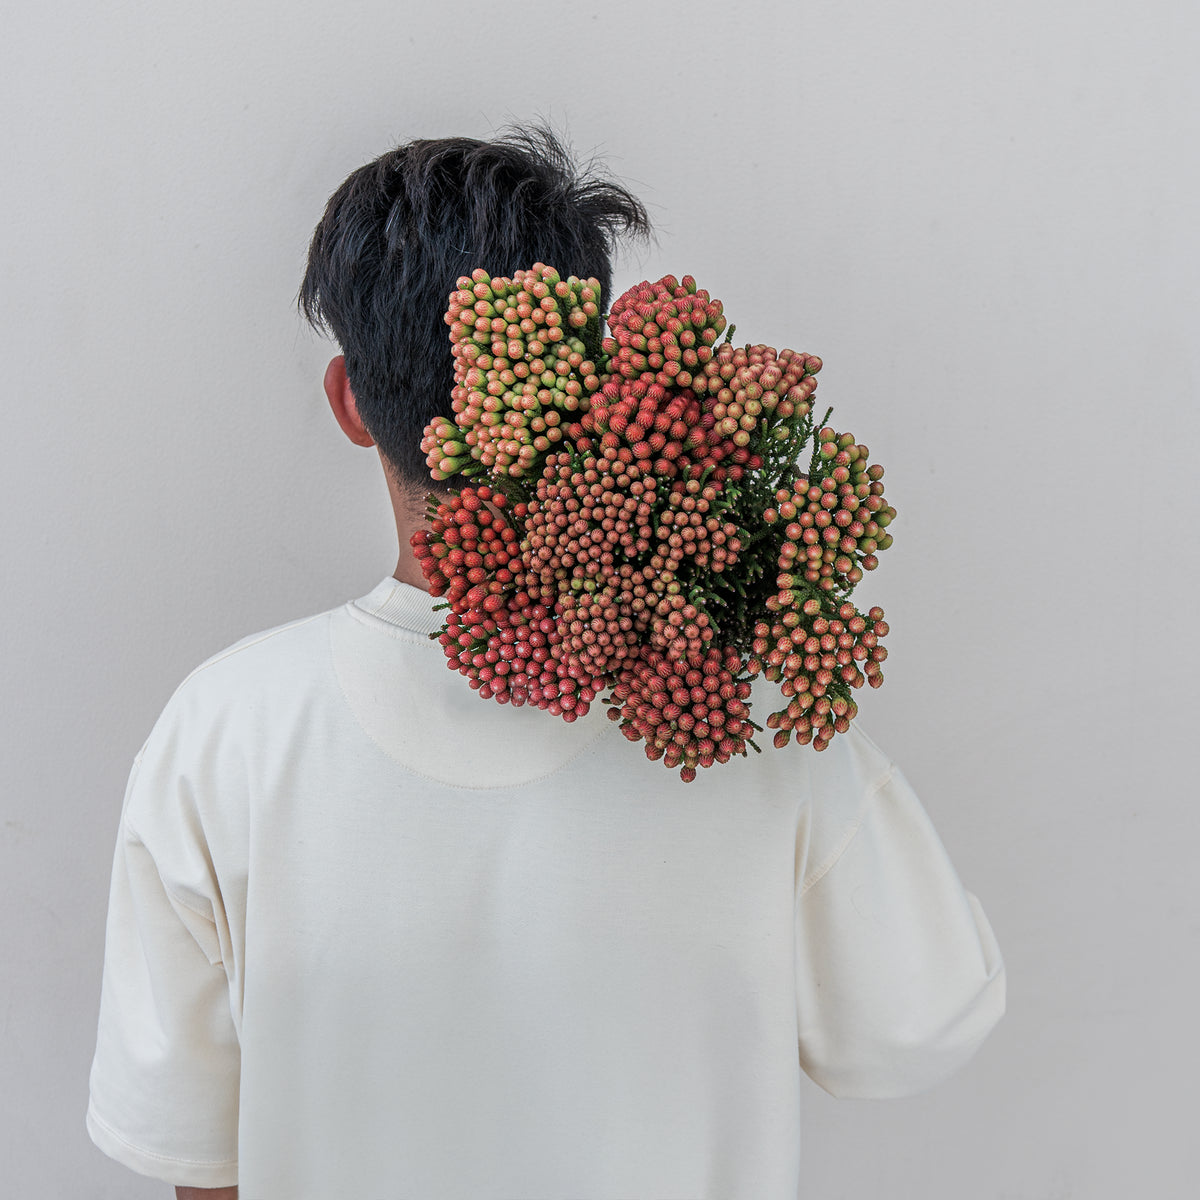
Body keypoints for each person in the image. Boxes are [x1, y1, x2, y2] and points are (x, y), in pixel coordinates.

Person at [87, 127, 1006, 1200]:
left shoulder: (222, 733)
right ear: (594, 373)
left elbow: (197, 1161)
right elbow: (919, 1026)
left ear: (349, 400)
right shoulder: (740, 706)